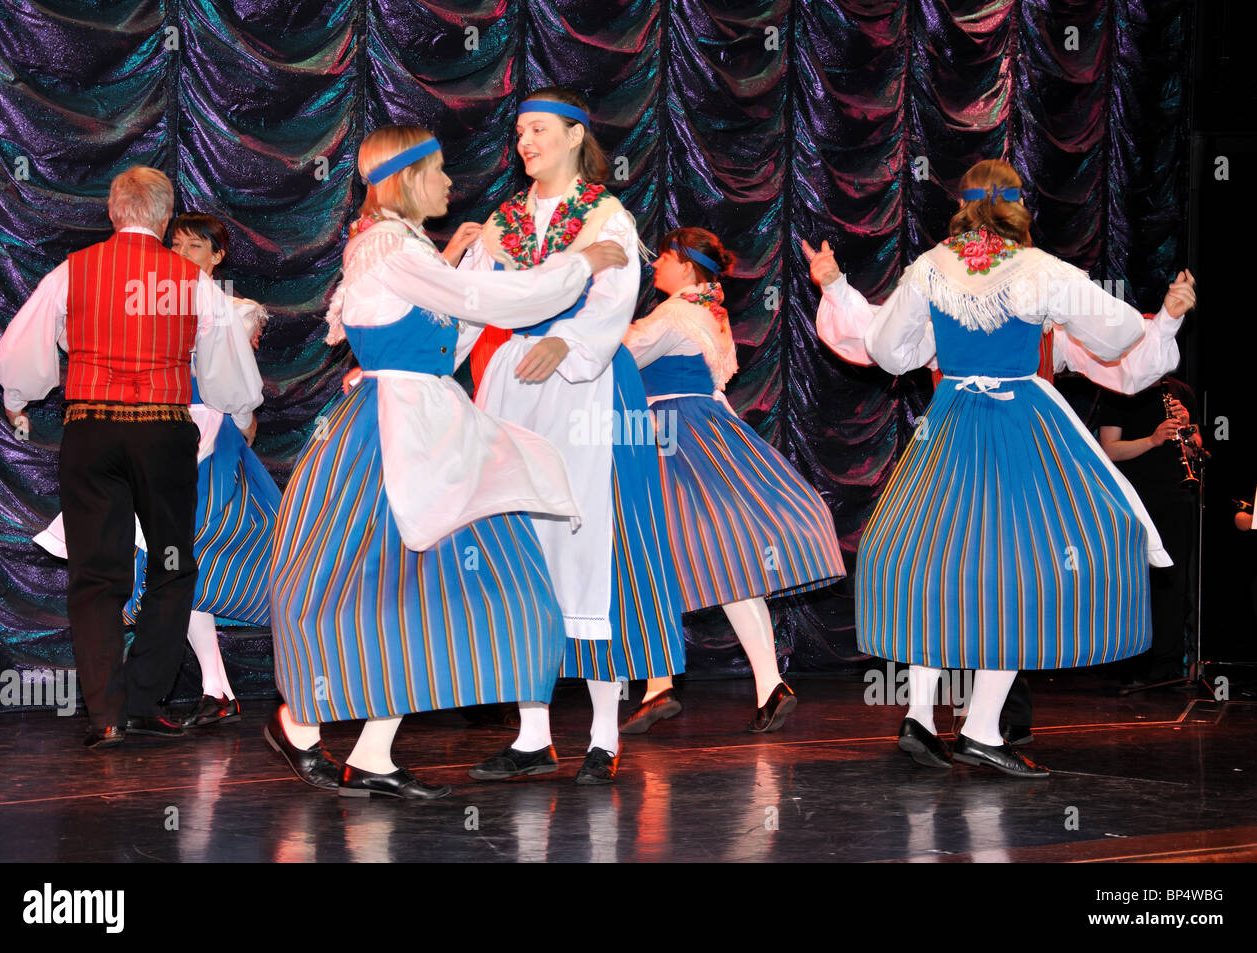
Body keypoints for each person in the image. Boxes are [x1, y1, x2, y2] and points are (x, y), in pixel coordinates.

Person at [266, 124, 627, 799]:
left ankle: (370, 749)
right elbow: (489, 304)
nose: (449, 184)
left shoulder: (404, 246)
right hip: (393, 433)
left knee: (423, 590)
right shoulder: (385, 246)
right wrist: (584, 263)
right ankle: (299, 719)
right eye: (437, 171)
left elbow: (453, 330)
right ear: (407, 180)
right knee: (365, 582)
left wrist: (465, 262)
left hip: (428, 424)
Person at [808, 158, 1195, 777]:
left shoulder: (932, 265)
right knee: (1022, 569)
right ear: (1017, 207)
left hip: (953, 419)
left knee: (937, 560)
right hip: (1020, 422)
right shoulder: (1038, 268)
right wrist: (1153, 317)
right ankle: (983, 730)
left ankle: (920, 716)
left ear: (963, 205)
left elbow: (884, 349)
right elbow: (1119, 330)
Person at [460, 88, 687, 785]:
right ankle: (532, 735)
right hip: (517, 383)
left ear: (573, 136)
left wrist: (568, 341)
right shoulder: (501, 222)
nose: (525, 141)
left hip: (584, 385)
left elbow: (616, 287)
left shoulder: (605, 213)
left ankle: (602, 731)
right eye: (520, 131)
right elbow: (469, 299)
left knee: (589, 537)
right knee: (524, 542)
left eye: (538, 129)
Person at [0, 166, 262, 749]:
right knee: (171, 563)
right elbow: (227, 370)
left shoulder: (74, 272)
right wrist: (239, 414)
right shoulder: (191, 283)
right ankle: (143, 701)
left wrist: (18, 399)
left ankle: (106, 716)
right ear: (164, 219)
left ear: (113, 212)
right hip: (163, 434)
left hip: (91, 432)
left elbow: (22, 347)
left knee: (97, 574)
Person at [618, 227, 845, 733]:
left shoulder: (675, 313)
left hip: (670, 433)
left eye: (666, 259)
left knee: (650, 554)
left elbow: (622, 353)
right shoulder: (710, 314)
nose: (656, 265)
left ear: (687, 267)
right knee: (720, 558)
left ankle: (660, 686)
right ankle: (764, 683)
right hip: (705, 430)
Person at [1098, 373, 1202, 686]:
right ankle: (1130, 666)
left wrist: (1188, 431)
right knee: (1133, 584)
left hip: (1176, 496)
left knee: (1173, 582)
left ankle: (1167, 664)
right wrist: (1154, 439)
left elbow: (1197, 449)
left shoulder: (1180, 390)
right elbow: (1108, 450)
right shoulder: (1118, 389)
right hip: (1133, 499)